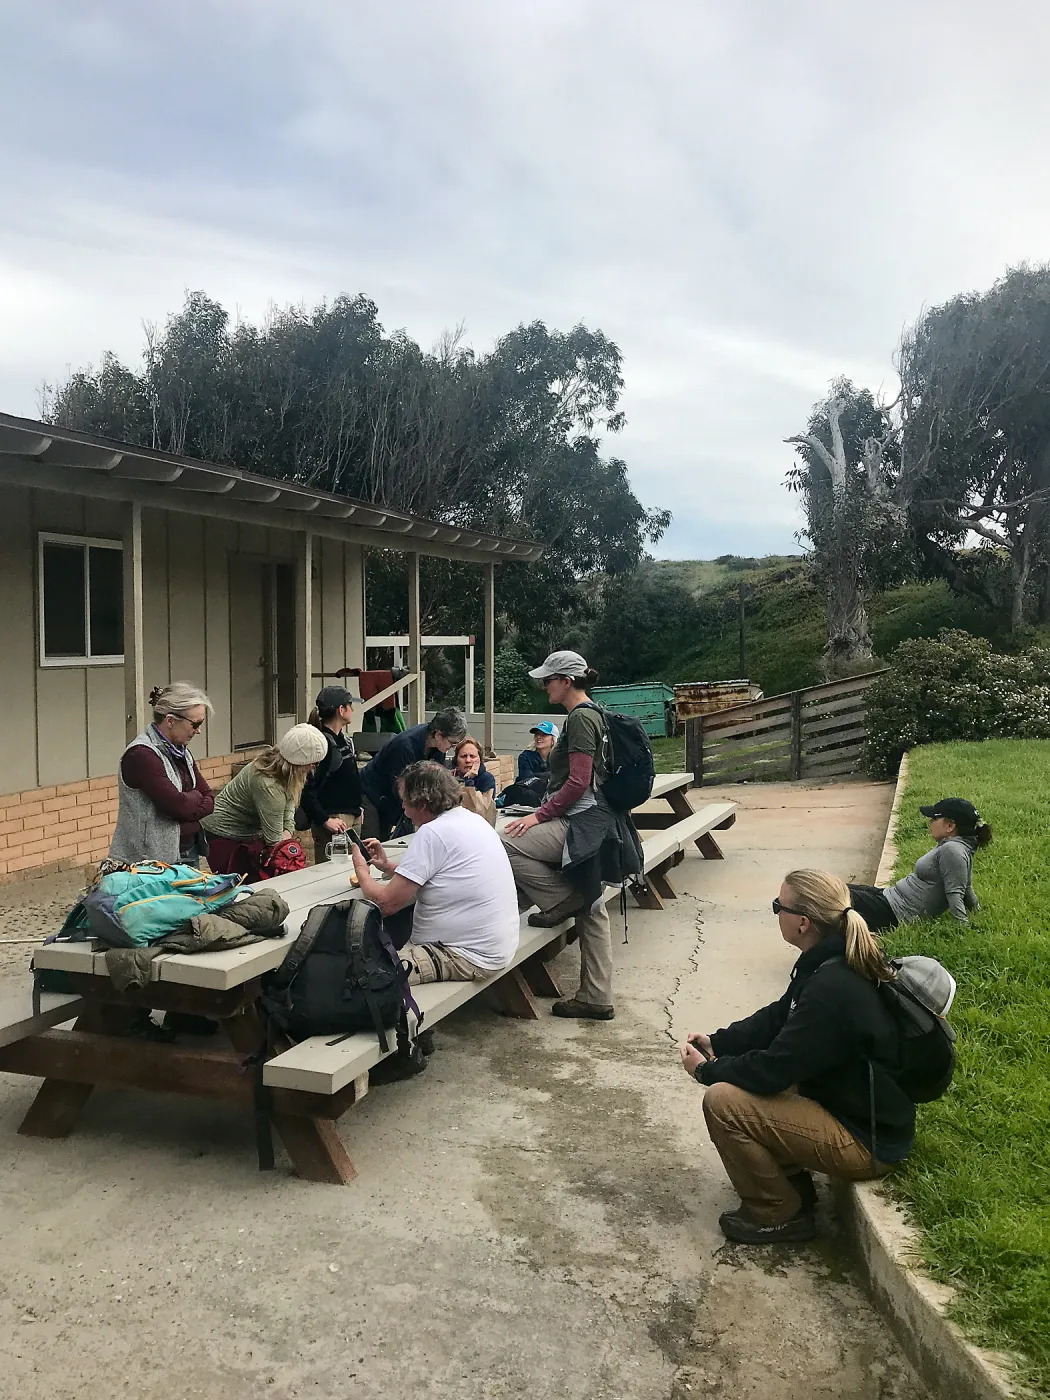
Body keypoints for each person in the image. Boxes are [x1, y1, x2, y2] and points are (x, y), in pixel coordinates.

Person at [681, 869, 915, 1245]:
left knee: (724, 1101)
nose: (775, 913)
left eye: (779, 907)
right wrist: (719, 1041)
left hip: (866, 1142)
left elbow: (774, 1069)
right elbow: (781, 1014)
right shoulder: (832, 957)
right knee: (750, 1078)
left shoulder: (832, 985)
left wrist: (707, 1071)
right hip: (862, 1113)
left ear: (803, 922)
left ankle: (777, 1212)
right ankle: (793, 1186)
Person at [501, 649, 642, 1022]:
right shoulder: (596, 713)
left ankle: (562, 897)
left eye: (548, 680)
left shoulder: (580, 719)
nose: (544, 685)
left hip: (581, 824)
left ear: (566, 681)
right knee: (593, 908)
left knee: (501, 844)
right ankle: (596, 996)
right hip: (602, 823)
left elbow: (579, 780)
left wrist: (538, 816)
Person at [351, 760, 519, 987]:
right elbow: (442, 873)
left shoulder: (433, 832)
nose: (402, 808)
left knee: (361, 978)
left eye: (404, 801)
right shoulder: (470, 819)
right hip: (495, 945)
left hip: (464, 955)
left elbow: (385, 903)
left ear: (421, 802)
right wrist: (389, 866)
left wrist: (361, 869)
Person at [202, 724, 328, 878]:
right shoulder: (268, 784)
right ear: (301, 762)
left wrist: (287, 832)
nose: (314, 768)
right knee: (237, 888)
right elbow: (274, 841)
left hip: (250, 832)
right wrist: (285, 845)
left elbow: (289, 803)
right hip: (224, 834)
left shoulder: (286, 768)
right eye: (314, 763)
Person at [110, 682, 215, 866]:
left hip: (188, 851)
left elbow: (209, 798)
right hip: (150, 862)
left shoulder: (181, 750)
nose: (198, 730)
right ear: (170, 721)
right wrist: (194, 799)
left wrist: (191, 800)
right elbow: (177, 806)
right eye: (195, 723)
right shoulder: (142, 755)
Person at [848, 798, 992, 932]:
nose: (930, 821)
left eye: (935, 818)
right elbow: (966, 887)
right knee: (836, 888)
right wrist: (977, 911)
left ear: (950, 825)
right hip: (889, 897)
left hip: (894, 912)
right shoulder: (958, 847)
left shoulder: (952, 850)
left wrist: (963, 928)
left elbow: (956, 892)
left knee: (831, 894)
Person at [358, 708, 468, 840]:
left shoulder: (439, 747)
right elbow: (402, 788)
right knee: (372, 841)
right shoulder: (405, 745)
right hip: (371, 793)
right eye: (452, 743)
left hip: (392, 795)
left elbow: (435, 783)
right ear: (438, 734)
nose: (453, 748)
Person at [299, 685, 363, 863]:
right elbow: (306, 790)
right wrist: (325, 820)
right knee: (331, 875)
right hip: (334, 821)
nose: (353, 709)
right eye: (350, 705)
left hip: (351, 817)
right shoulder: (322, 746)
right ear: (341, 710)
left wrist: (357, 809)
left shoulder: (343, 740)